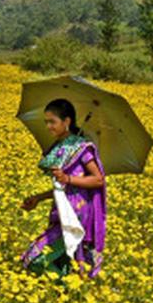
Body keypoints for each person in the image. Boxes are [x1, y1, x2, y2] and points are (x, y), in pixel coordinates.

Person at [19, 98, 108, 278]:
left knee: (34, 258)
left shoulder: (82, 147)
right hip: (61, 210)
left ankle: (65, 288)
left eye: (52, 122)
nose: (48, 126)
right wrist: (38, 198)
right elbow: (62, 186)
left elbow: (98, 180)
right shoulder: (60, 146)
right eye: (46, 122)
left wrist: (67, 178)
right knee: (64, 260)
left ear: (66, 122)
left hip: (76, 215)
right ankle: (66, 293)